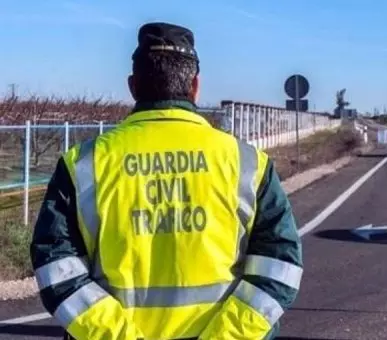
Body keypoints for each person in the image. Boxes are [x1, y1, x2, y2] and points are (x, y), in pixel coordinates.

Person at [30, 22, 303, 340]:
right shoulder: (248, 163)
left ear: (133, 86)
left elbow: (57, 268)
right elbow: (279, 266)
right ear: (195, 86)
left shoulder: (83, 165)